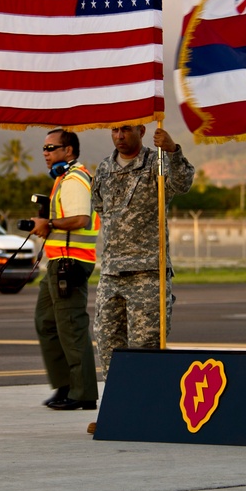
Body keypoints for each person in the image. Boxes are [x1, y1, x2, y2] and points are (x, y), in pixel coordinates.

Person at [91, 125, 194, 376]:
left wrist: (171, 150)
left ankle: (146, 411)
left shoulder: (156, 163)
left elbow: (182, 184)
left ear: (141, 130)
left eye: (125, 130)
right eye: (114, 130)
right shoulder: (104, 169)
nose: (119, 136)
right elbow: (100, 207)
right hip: (112, 273)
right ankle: (117, 410)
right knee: (107, 344)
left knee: (146, 349)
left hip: (147, 272)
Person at [30, 129, 100, 411]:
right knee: (46, 322)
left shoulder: (74, 179)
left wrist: (50, 224)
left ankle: (83, 393)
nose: (46, 153)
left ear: (68, 151)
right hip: (57, 262)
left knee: (71, 327)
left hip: (70, 264)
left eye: (51, 147)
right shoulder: (62, 179)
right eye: (44, 148)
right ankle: (65, 385)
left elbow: (81, 218)